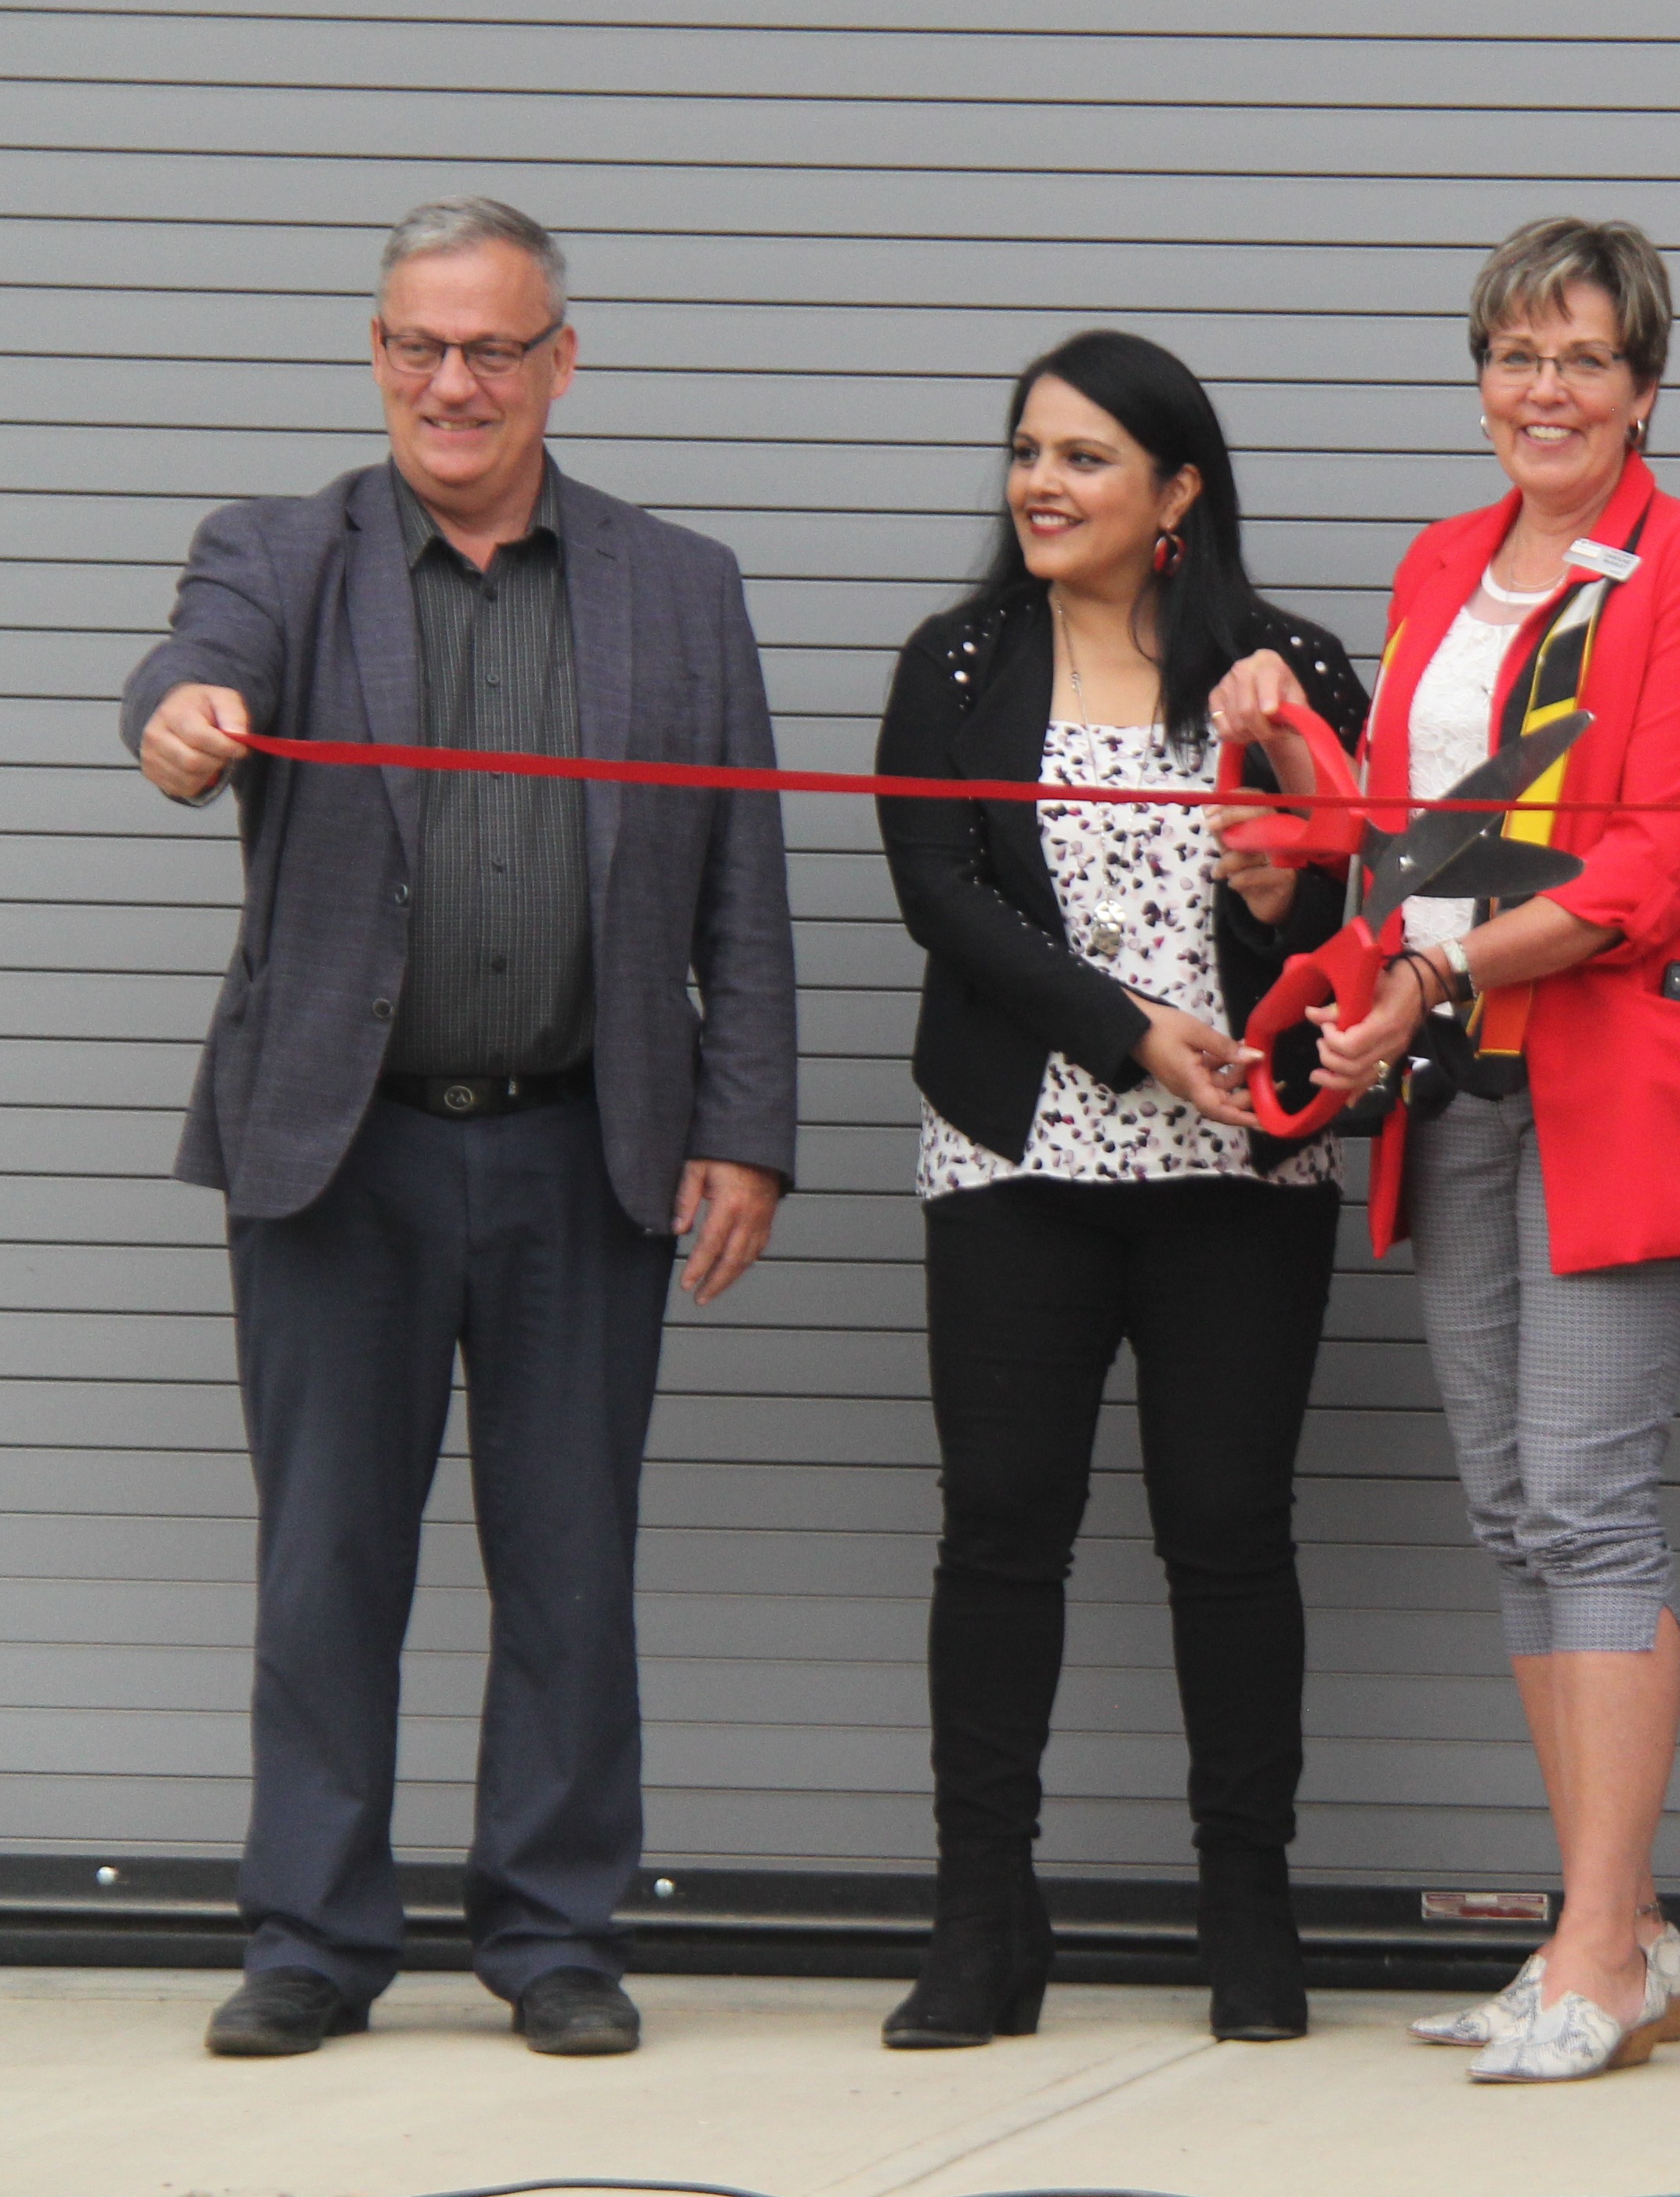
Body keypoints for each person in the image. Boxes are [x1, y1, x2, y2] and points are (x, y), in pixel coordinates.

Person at [122, 198, 798, 2059]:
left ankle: (556, 1934)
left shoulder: (679, 582)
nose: (453, 381)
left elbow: (742, 872)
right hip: (343, 1148)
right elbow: (189, 668)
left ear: (560, 361)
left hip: (591, 1142)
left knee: (571, 1561)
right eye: (420, 344)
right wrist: (180, 717)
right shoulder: (281, 553)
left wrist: (744, 1124)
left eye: (494, 347)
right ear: (376, 354)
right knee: (326, 1557)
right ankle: (312, 1942)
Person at [1211, 216, 1680, 2084]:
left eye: (1583, 359)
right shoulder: (1442, 559)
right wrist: (1292, 784)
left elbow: (1649, 865)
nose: (1544, 389)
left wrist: (1433, 952)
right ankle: (1593, 1930)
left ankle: (1605, 1948)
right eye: (1514, 354)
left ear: (1643, 388)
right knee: (1512, 1512)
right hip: (1452, 1071)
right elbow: (1408, 827)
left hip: (1607, 1071)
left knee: (1589, 1500)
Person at [871, 330, 1371, 2050]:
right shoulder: (955, 666)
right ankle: (981, 1925)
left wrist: (1269, 887)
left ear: (1177, 492)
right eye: (1026, 450)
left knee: (1228, 1539)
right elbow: (941, 894)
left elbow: (1342, 914)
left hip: (1239, 1168)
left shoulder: (1288, 667)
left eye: (1084, 457)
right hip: (1019, 1157)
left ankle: (1249, 1915)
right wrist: (1123, 1034)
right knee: (1000, 1533)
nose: (1039, 483)